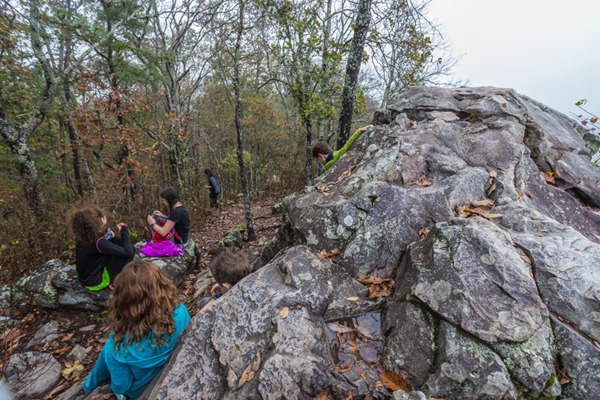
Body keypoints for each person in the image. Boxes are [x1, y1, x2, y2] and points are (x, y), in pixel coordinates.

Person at [83, 260, 190, 399]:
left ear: (123, 300)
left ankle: (88, 387)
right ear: (161, 287)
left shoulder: (122, 342)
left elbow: (121, 386)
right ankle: (90, 385)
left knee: (109, 348)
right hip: (171, 372)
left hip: (139, 391)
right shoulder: (181, 312)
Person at [69, 206, 134, 291]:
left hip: (87, 277)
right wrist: (124, 231)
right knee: (129, 249)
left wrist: (106, 238)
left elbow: (94, 248)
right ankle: (115, 282)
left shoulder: (82, 237)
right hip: (96, 282)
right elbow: (128, 252)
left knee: (117, 240)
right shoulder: (99, 242)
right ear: (100, 220)